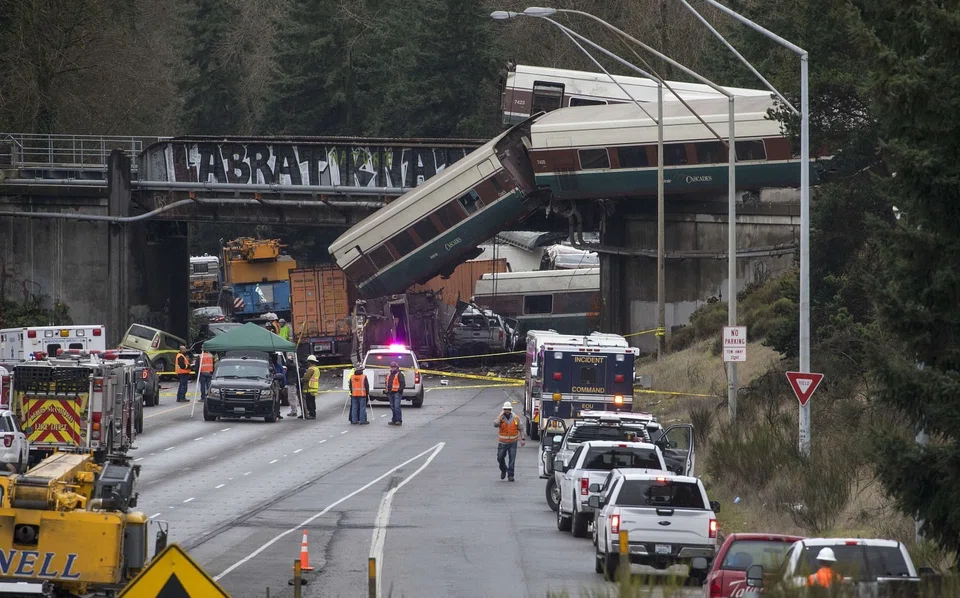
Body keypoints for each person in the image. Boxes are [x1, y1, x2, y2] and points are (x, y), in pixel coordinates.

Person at [494, 401, 525, 481]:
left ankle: (510, 475)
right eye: (505, 409)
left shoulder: (516, 418)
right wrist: (500, 416)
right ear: (503, 410)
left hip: (513, 442)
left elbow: (521, 428)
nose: (507, 411)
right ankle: (503, 469)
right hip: (502, 443)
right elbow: (495, 424)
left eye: (508, 409)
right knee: (500, 458)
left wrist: (523, 439)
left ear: (511, 410)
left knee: (512, 460)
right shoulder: (501, 418)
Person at [385, 361, 405, 426]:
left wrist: (399, 391)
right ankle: (394, 420)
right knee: (392, 407)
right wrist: (387, 391)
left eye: (394, 367)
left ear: (397, 367)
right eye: (392, 367)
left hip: (397, 393)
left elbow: (402, 383)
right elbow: (387, 383)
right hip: (390, 393)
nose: (393, 368)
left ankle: (398, 420)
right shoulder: (389, 375)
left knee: (396, 407)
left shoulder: (400, 374)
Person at [300, 354, 319, 420]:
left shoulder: (310, 369)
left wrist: (302, 379)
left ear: (310, 362)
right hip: (314, 388)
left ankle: (312, 414)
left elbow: (306, 378)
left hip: (309, 388)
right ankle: (313, 413)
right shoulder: (316, 369)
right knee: (312, 402)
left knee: (309, 402)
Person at [286, 353, 300, 418]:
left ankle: (294, 411)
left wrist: (289, 359)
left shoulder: (293, 365)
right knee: (291, 397)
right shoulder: (293, 365)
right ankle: (293, 410)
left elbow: (287, 364)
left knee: (292, 397)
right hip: (291, 382)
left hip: (292, 383)